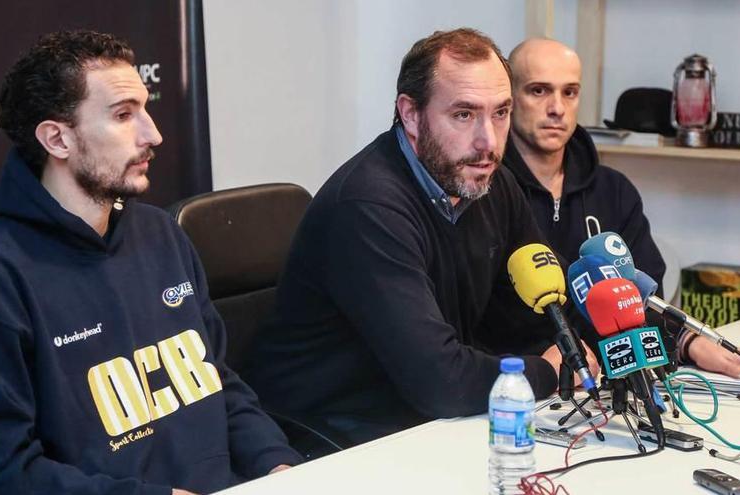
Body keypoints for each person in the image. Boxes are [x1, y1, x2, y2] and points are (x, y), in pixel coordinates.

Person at [0, 30, 301, 495]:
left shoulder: (162, 235)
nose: (153, 134)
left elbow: (217, 383)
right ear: (57, 139)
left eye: (145, 109)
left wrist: (279, 465)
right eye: (124, 115)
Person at [245, 28, 599, 447]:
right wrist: (547, 371)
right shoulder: (368, 206)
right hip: (330, 438)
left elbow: (541, 315)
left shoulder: (490, 183)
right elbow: (439, 380)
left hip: (423, 423)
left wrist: (602, 346)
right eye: (464, 115)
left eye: (500, 113)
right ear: (411, 115)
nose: (488, 142)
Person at [502, 38, 740, 379]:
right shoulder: (487, 192)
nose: (557, 107)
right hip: (520, 383)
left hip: (612, 380)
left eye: (569, 92)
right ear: (509, 99)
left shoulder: (614, 190)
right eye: (539, 91)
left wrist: (689, 339)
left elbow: (644, 299)